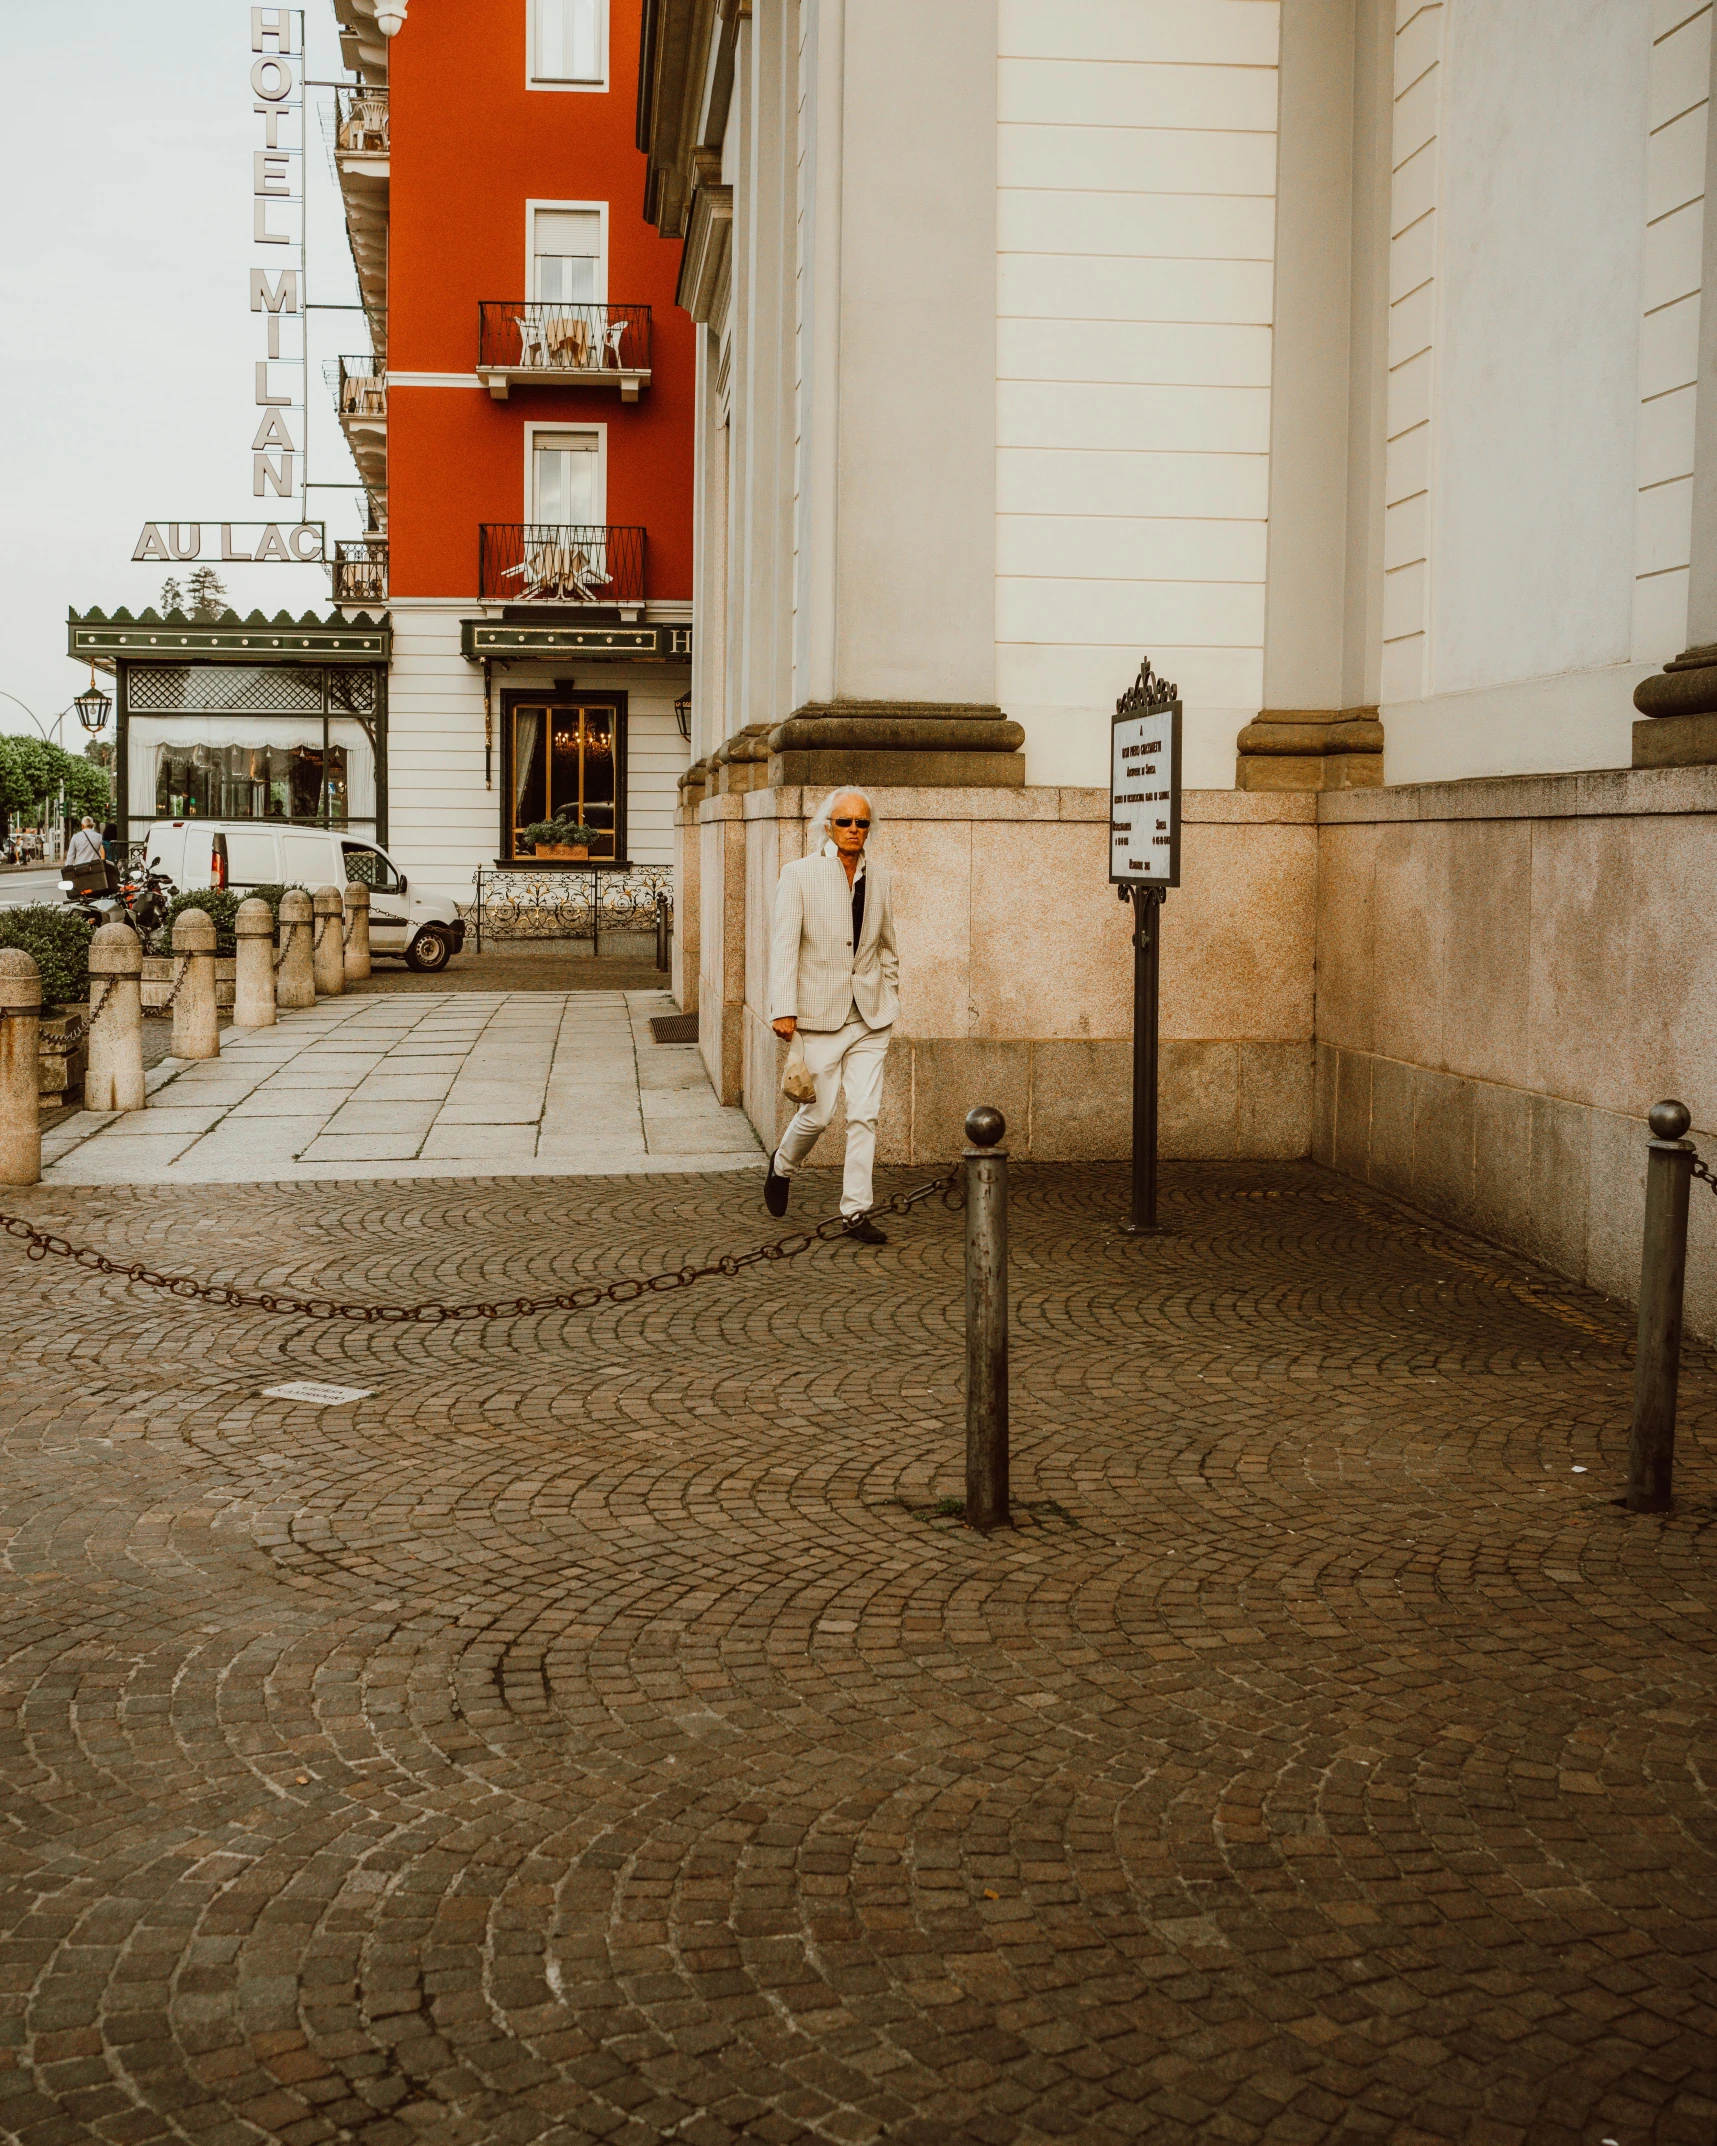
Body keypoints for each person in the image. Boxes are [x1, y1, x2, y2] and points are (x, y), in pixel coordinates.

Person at [764, 787, 899, 1243]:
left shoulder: (879, 878)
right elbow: (784, 944)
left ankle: (856, 1211)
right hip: (819, 1015)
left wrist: (890, 994)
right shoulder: (798, 874)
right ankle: (782, 1164)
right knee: (818, 1115)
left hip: (870, 1016)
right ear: (829, 826)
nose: (854, 830)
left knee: (865, 1114)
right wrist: (783, 1008)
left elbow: (887, 947)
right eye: (845, 822)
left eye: (862, 823)